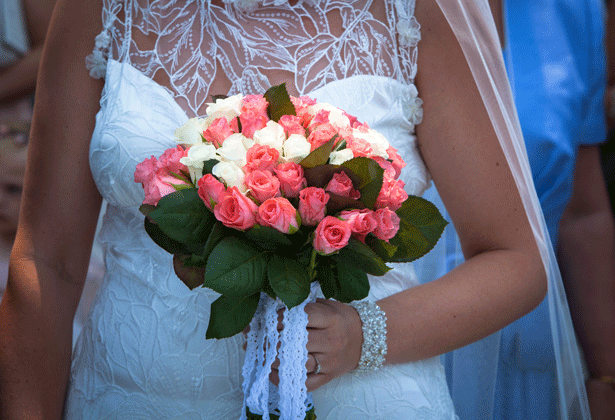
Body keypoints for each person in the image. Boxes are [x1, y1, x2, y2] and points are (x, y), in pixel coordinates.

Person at [0, 0, 586, 419]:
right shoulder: (101, 12)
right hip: (134, 394)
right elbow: (46, 263)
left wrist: (366, 334)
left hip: (360, 402)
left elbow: (515, 259)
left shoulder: (413, 15)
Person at [416, 0, 615, 418]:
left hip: (530, 349)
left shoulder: (573, 11)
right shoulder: (364, 11)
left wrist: (607, 377)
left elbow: (582, 210)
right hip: (401, 340)